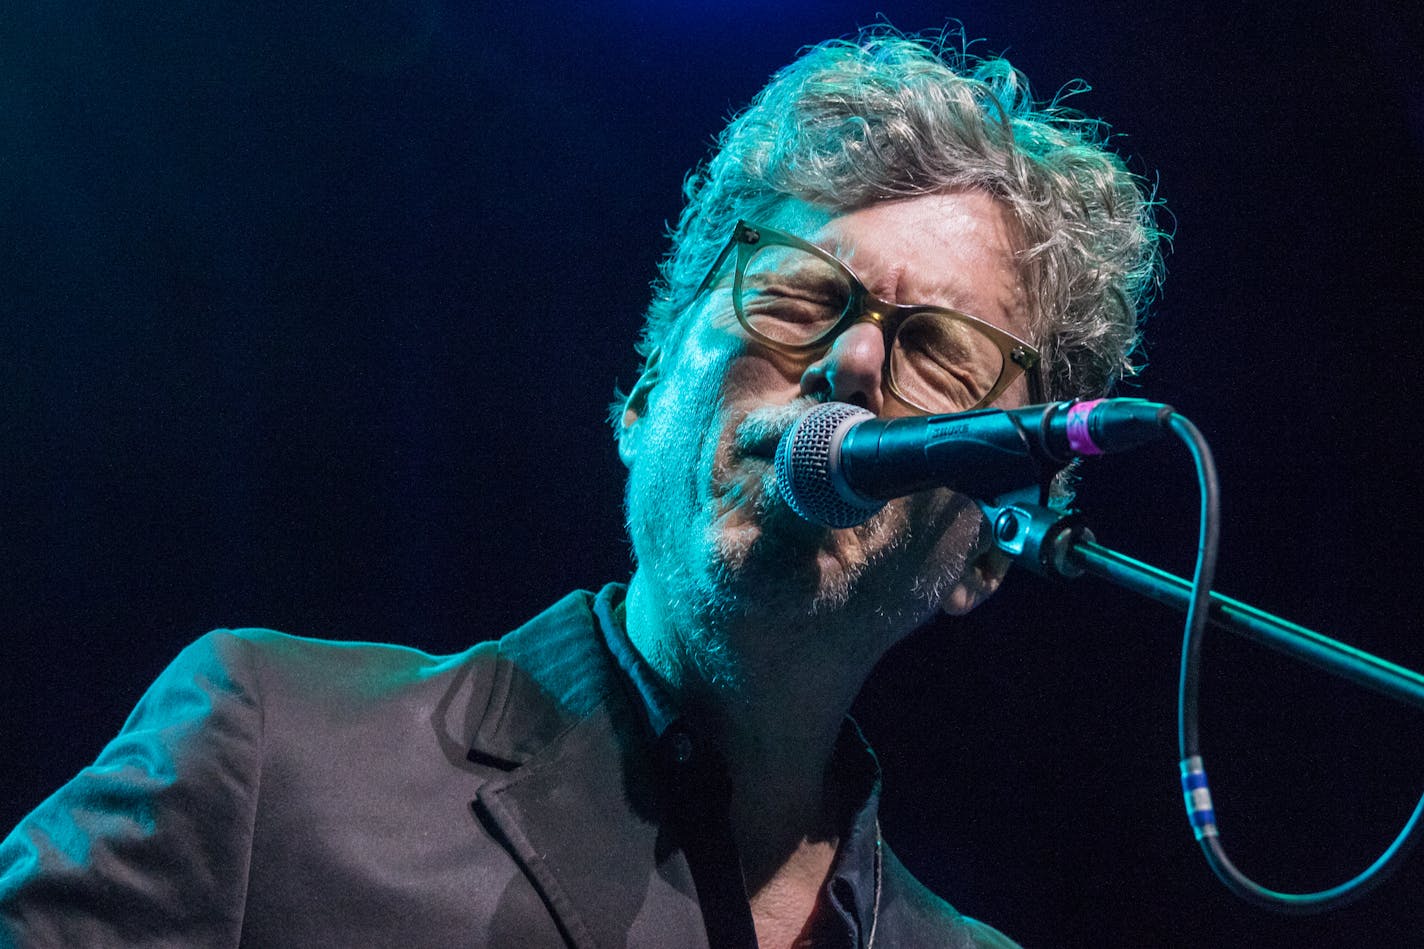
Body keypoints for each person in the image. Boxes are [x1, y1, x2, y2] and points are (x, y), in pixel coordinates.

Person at [0, 29, 1162, 948]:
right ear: (645, 396)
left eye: (933, 350)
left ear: (988, 551)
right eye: (800, 296)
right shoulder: (270, 748)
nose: (851, 365)